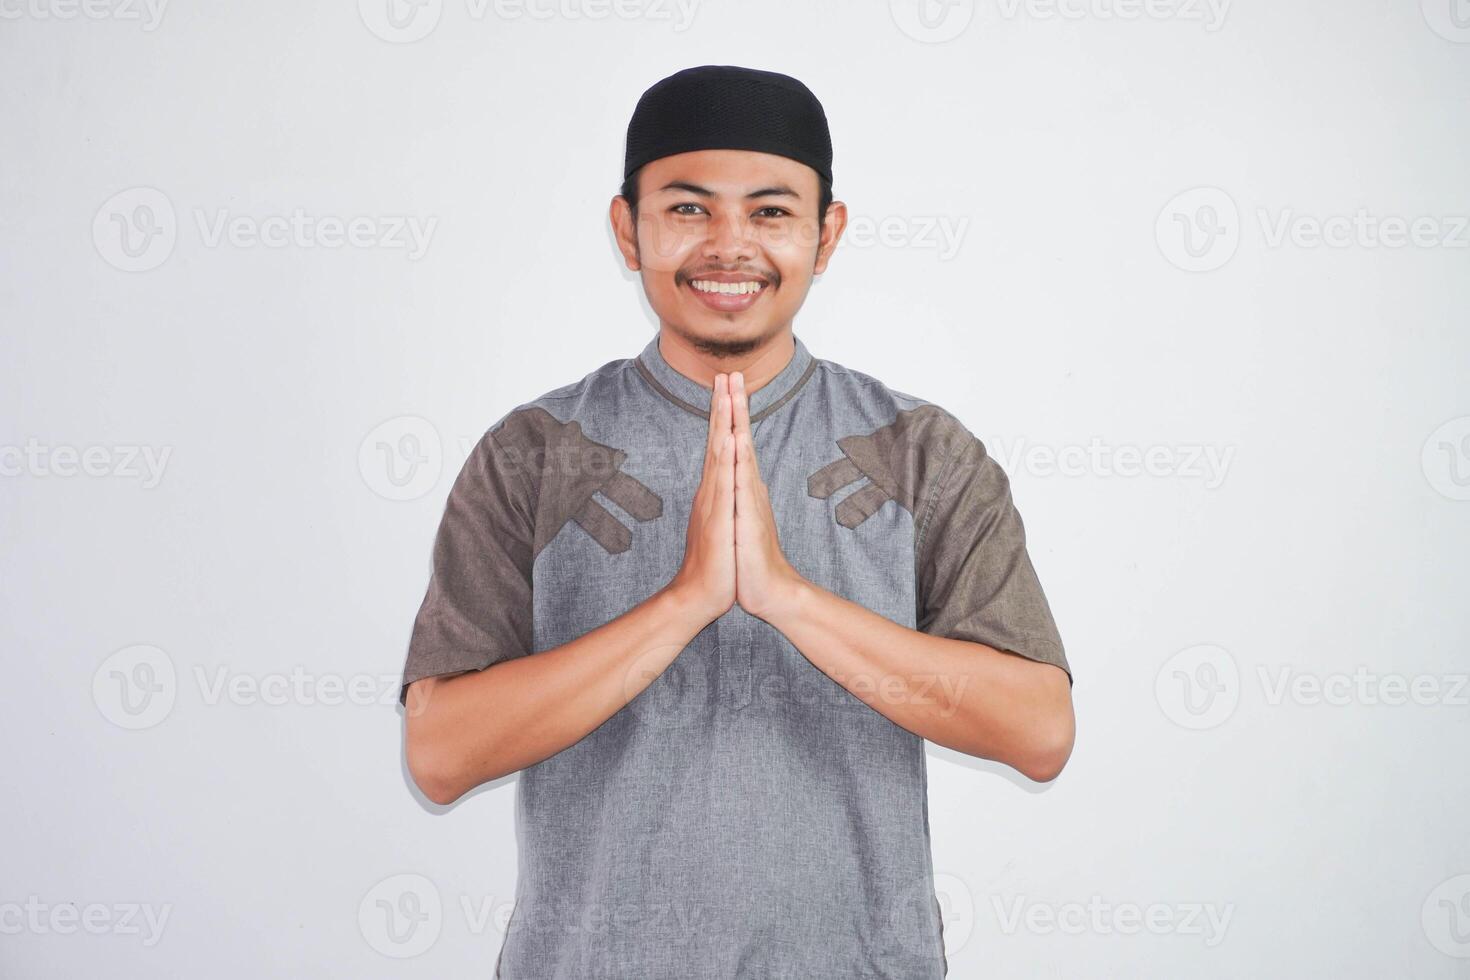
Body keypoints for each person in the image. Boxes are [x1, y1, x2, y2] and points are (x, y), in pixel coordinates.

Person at [399, 64, 1075, 980]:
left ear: (825, 234)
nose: (729, 247)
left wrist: (788, 598)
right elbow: (439, 754)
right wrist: (682, 604)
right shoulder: (535, 452)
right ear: (625, 228)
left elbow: (1038, 732)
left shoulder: (920, 453)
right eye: (686, 209)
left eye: (770, 211)